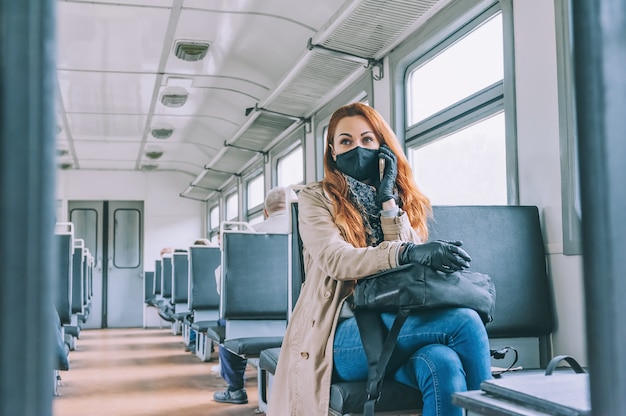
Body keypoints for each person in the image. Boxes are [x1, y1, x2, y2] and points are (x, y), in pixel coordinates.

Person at [266, 103, 492, 416]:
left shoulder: (399, 200)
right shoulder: (315, 198)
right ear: (332, 151)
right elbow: (336, 260)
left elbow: (410, 274)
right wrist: (405, 251)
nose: (357, 148)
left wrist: (387, 201)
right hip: (340, 331)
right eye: (346, 141)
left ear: (382, 146)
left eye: (367, 140)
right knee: (463, 321)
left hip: (396, 319)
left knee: (444, 362)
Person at [213, 185, 296, 405]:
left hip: (246, 324)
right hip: (301, 320)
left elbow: (223, 286)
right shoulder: (307, 233)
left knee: (226, 321)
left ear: (265, 212)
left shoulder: (245, 234)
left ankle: (235, 389)